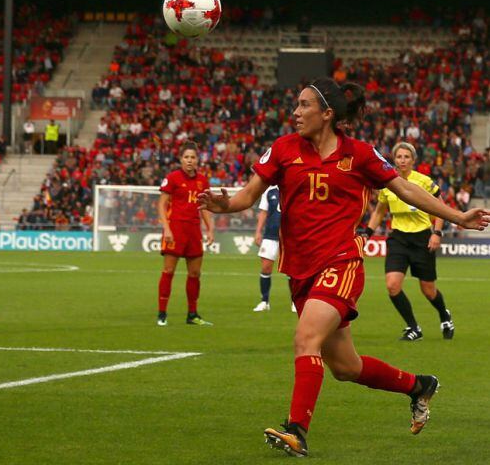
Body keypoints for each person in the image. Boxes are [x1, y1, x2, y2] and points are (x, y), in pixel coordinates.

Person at [198, 78, 489, 457]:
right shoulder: (284, 149)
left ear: (327, 114)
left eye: (304, 105)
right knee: (345, 367)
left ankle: (297, 430)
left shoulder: (360, 153)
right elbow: (248, 195)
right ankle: (419, 386)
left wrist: (457, 217)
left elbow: (406, 189)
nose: (296, 112)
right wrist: (225, 205)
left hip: (341, 260)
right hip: (300, 269)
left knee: (306, 339)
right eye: (296, 105)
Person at [365, 142, 454, 341]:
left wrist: (436, 233)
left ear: (413, 160)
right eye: (399, 157)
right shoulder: (387, 183)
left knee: (428, 290)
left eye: (406, 157)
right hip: (398, 239)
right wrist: (367, 233)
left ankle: (444, 315)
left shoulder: (423, 181)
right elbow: (380, 211)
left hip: (422, 238)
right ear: (394, 160)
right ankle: (414, 327)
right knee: (392, 286)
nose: (402, 160)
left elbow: (441, 207)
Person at [157, 141, 215, 326]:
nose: (189, 160)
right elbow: (161, 204)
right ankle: (162, 313)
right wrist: (166, 228)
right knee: (168, 270)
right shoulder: (172, 178)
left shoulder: (203, 181)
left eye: (193, 157)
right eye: (186, 157)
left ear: (198, 160)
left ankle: (192, 314)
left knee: (195, 273)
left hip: (193, 231)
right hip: (175, 229)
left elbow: (204, 207)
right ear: (181, 159)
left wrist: (210, 228)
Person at [252, 185, 295, 312]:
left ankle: (295, 302)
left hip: (290, 235)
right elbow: (264, 212)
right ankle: (264, 302)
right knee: (266, 268)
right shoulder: (269, 191)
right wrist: (258, 232)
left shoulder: (292, 187)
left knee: (292, 270)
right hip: (270, 235)